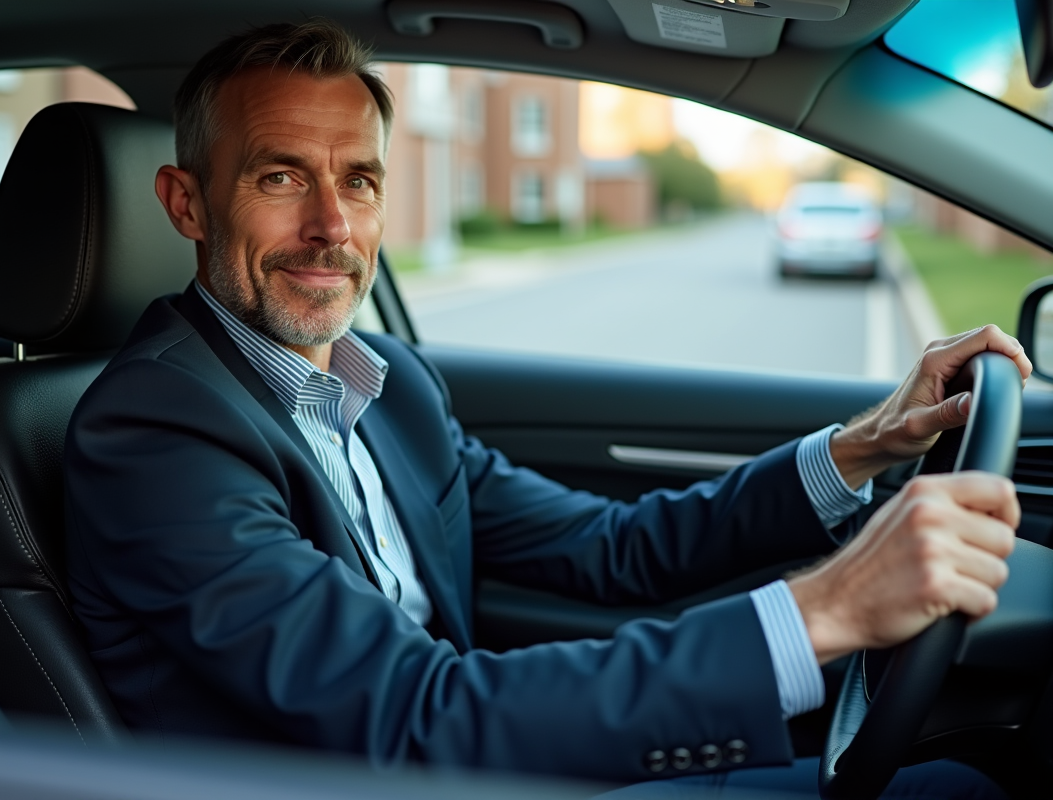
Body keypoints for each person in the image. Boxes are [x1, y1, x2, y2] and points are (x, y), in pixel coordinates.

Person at [63, 19, 1024, 798]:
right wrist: (826, 610)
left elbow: (611, 547)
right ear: (187, 204)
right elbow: (407, 710)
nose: (332, 226)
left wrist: (858, 450)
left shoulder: (385, 384)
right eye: (281, 177)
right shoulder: (154, 433)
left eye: (358, 180)